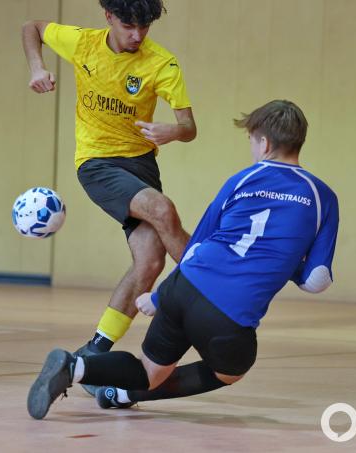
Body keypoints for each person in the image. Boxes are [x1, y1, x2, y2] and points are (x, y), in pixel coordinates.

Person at [26, 100, 339, 419]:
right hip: (229, 314)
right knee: (233, 369)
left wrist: (161, 296)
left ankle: (74, 367)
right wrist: (283, 260)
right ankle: (125, 391)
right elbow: (317, 280)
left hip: (183, 287)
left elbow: (198, 247)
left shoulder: (240, 181)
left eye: (251, 142)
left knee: (148, 371)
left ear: (264, 142)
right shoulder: (321, 195)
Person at [21, 0, 197, 390]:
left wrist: (173, 131)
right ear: (109, 18)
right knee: (162, 208)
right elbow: (31, 27)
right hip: (97, 163)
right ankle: (208, 286)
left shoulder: (162, 63)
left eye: (145, 27)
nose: (137, 35)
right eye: (129, 26)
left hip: (141, 166)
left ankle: (95, 350)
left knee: (150, 263)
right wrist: (37, 67)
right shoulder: (83, 43)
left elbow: (189, 126)